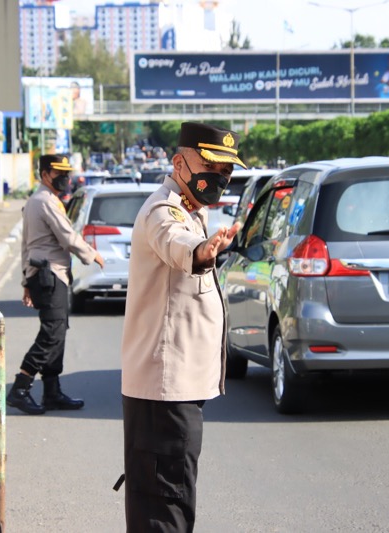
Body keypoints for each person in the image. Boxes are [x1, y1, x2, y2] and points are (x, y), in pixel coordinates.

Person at [116, 122, 245, 531]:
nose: (220, 178)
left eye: (227, 172)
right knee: (164, 506)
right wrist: (204, 251)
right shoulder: (163, 211)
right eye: (212, 166)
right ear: (179, 162)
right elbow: (178, 246)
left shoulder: (191, 211)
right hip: (163, 390)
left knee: (172, 496)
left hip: (176, 389)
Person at [6, 154, 105, 415]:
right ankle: (20, 388)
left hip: (50, 275)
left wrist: (26, 280)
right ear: (45, 174)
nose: (66, 178)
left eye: (67, 173)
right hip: (49, 275)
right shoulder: (44, 201)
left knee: (57, 332)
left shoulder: (43, 200)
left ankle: (52, 391)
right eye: (59, 173)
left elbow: (27, 245)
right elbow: (67, 236)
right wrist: (91, 253)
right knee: (52, 333)